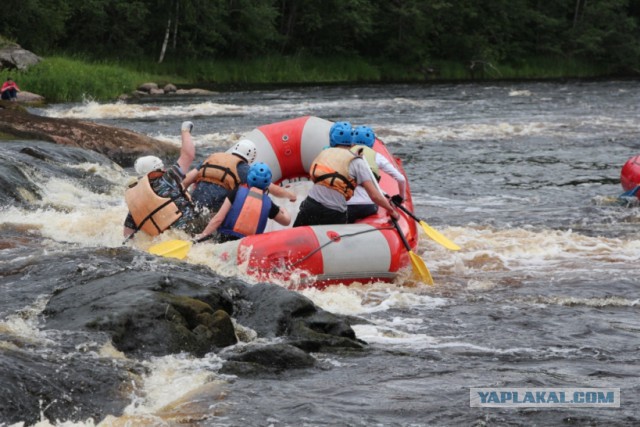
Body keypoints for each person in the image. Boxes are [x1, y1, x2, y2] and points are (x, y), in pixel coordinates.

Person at [292, 121, 399, 227]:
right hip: (335, 212)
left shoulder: (324, 154)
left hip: (311, 205)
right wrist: (391, 210)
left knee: (295, 237)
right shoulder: (357, 161)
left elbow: (314, 178)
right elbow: (374, 196)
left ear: (332, 139)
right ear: (352, 141)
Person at [123, 121, 197, 238]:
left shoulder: (136, 202)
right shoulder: (167, 179)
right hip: (191, 230)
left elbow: (127, 235)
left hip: (165, 240)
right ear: (158, 169)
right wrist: (185, 131)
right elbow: (188, 155)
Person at [183, 139, 296, 215]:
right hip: (213, 211)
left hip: (193, 204)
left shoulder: (213, 157)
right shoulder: (243, 168)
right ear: (252, 158)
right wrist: (290, 195)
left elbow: (187, 180)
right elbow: (271, 188)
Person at [194, 162, 291, 242]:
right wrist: (284, 210)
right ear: (267, 185)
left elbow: (218, 219)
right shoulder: (269, 204)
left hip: (225, 239)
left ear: (248, 179)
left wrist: (202, 235)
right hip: (247, 244)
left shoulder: (236, 192)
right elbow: (286, 222)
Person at [347, 125, 407, 223]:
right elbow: (401, 179)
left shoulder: (343, 154)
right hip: (368, 206)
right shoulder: (377, 156)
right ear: (372, 142)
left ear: (353, 140)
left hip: (344, 206)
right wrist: (401, 198)